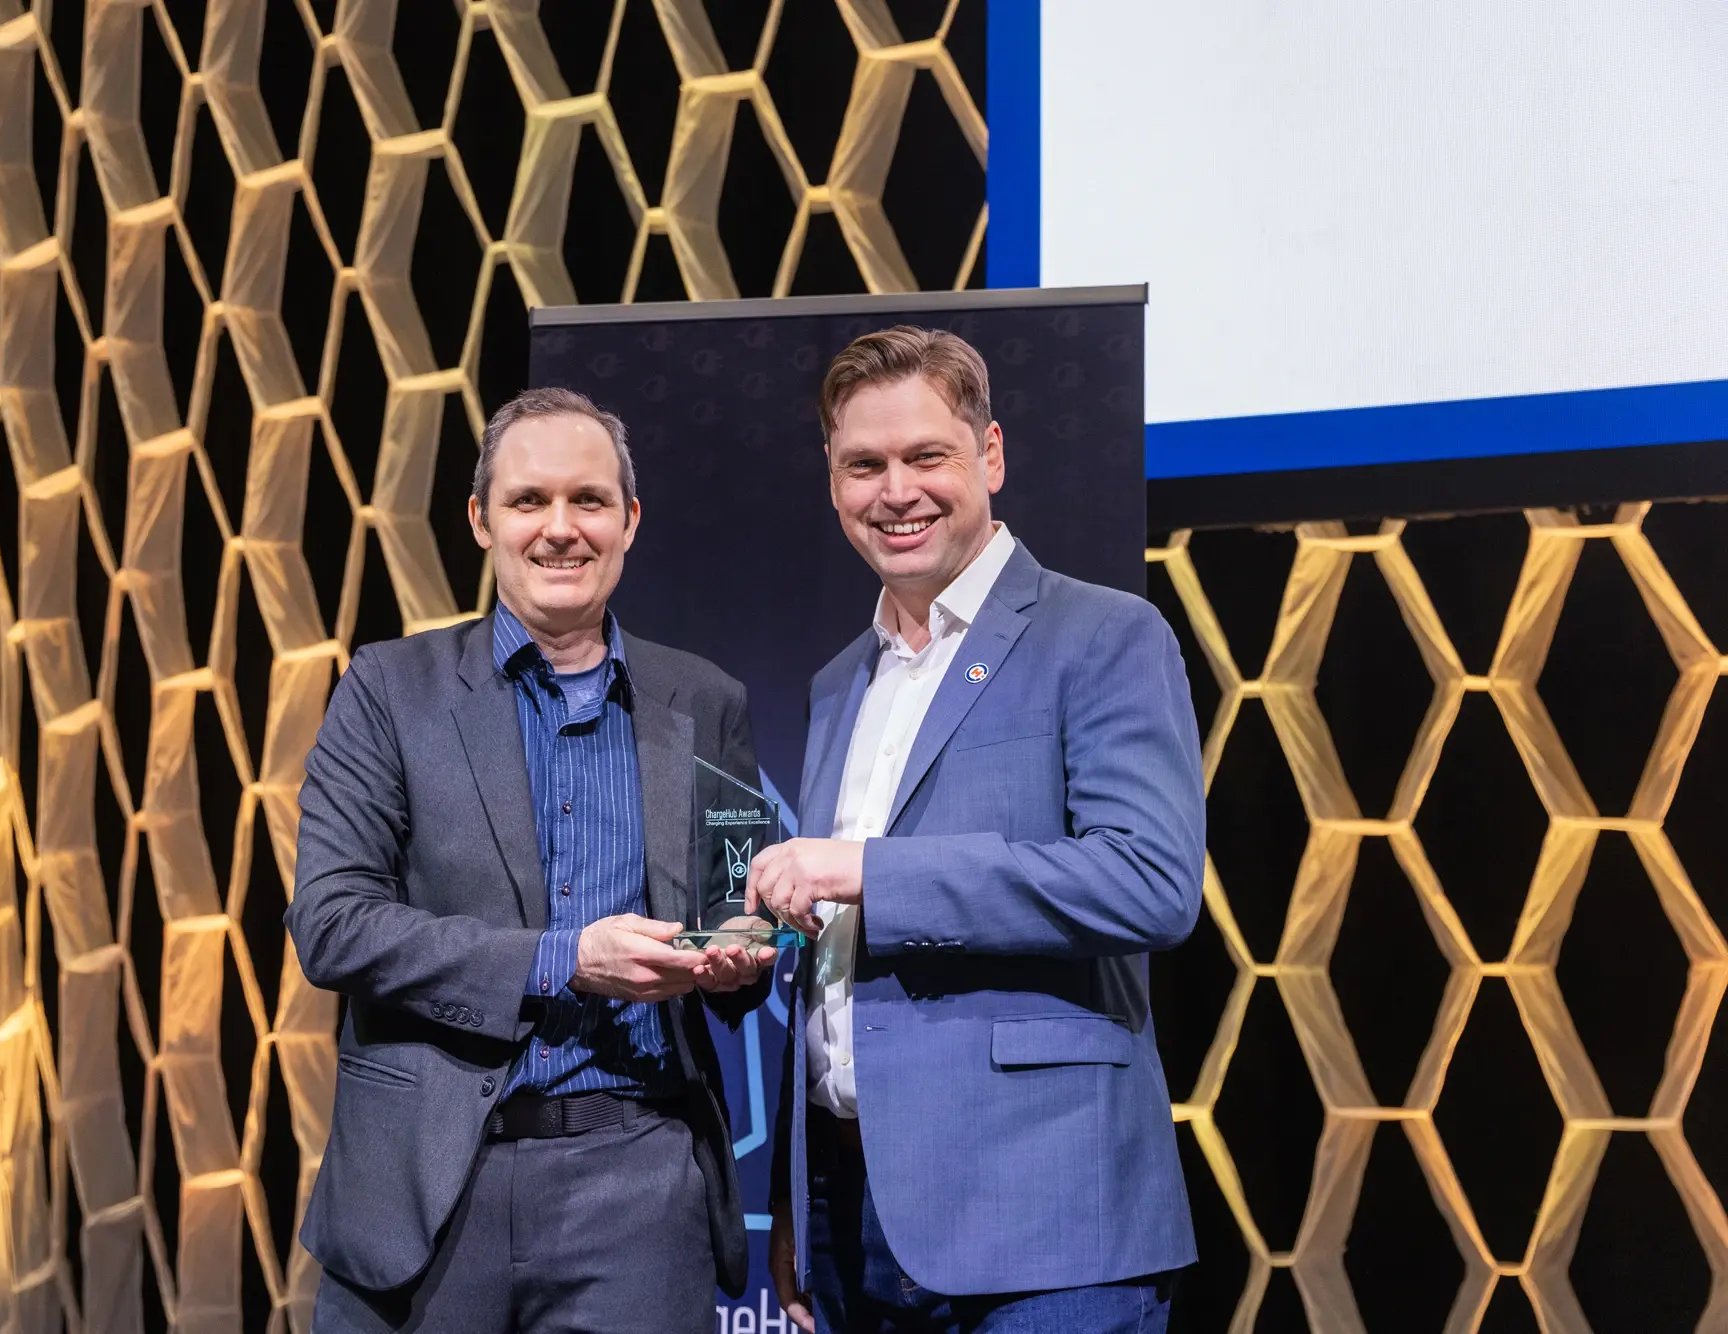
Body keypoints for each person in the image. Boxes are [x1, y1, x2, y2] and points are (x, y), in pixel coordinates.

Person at [287, 387, 777, 1332]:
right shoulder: (389, 690)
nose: (562, 529)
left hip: (637, 1185)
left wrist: (737, 957)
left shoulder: (706, 700)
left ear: (630, 520)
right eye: (529, 501)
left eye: (589, 501)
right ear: (481, 519)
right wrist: (566, 959)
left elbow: (737, 940)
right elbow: (333, 925)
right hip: (426, 1190)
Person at [750, 327, 1205, 1332]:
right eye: (862, 465)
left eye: (926, 457)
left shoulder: (1102, 635)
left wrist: (874, 869)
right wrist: (793, 1187)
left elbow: (1148, 881)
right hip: (852, 1214)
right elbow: (832, 962)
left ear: (989, 456)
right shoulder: (840, 682)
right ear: (832, 483)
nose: (894, 491)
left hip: (1045, 1226)